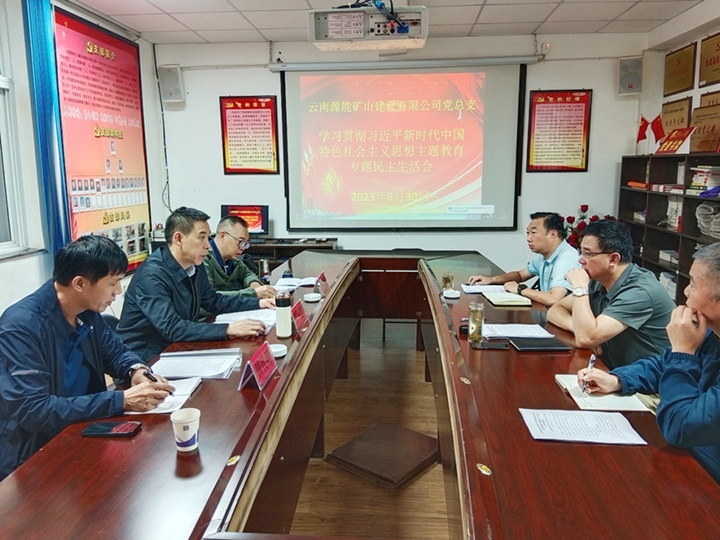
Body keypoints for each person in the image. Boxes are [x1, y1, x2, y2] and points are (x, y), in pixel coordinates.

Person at [0, 236, 174, 481]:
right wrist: (121, 400)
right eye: (112, 282)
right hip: (35, 456)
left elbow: (117, 353)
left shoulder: (86, 313)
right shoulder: (20, 327)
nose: (118, 291)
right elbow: (34, 411)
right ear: (80, 283)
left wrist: (136, 371)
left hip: (84, 430)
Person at [579, 243, 720, 484]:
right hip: (691, 457)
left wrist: (683, 352)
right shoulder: (710, 333)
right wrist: (618, 379)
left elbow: (679, 427)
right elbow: (662, 364)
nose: (686, 291)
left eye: (694, 284)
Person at [116, 207, 275, 362]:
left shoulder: (194, 265)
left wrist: (258, 303)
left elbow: (214, 301)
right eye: (201, 237)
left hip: (176, 347)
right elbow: (172, 328)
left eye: (208, 237)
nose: (208, 244)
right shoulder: (152, 276)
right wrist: (228, 329)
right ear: (179, 239)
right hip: (144, 358)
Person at [547, 219, 674, 369]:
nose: (580, 260)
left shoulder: (640, 291)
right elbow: (555, 311)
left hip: (653, 378)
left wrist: (579, 288)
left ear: (613, 259)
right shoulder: (599, 279)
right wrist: (577, 328)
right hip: (616, 371)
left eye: (588, 253)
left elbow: (585, 339)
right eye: (581, 252)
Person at [468, 212, 580, 306]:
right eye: (527, 233)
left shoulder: (567, 259)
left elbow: (554, 299)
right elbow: (520, 275)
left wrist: (520, 289)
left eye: (533, 233)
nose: (528, 238)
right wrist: (491, 280)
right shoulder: (544, 256)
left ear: (553, 234)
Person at [204, 215, 276, 300]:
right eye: (240, 241)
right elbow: (210, 297)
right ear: (222, 236)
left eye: (245, 244)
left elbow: (247, 274)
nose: (242, 248)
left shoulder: (232, 258)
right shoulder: (203, 258)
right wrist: (253, 293)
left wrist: (256, 286)